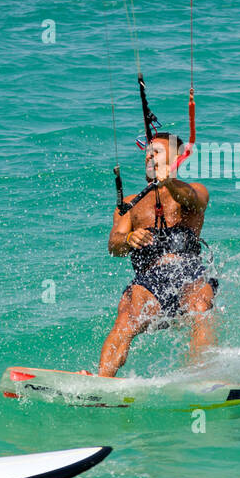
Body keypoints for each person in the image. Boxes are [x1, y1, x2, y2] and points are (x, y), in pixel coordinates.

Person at [98, 133, 215, 377]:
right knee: (128, 313)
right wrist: (128, 239)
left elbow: (194, 202)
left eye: (158, 153)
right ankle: (103, 381)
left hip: (187, 270)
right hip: (149, 278)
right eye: (148, 153)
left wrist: (169, 182)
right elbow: (114, 244)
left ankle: (202, 377)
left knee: (200, 305)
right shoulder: (130, 204)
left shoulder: (194, 190)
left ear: (177, 159)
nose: (150, 156)